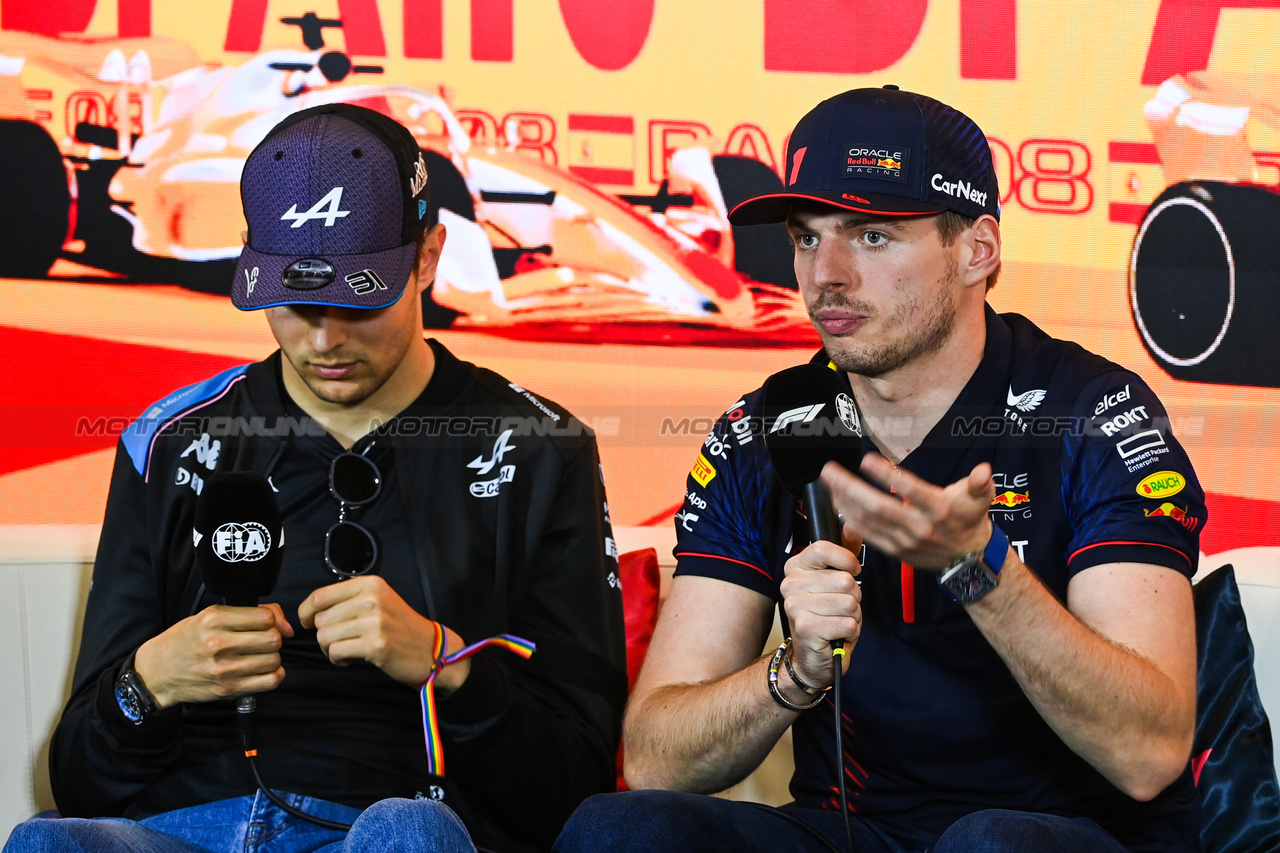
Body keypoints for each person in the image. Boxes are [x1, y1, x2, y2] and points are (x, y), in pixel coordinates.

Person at [556, 86, 1205, 853]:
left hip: (1064, 835)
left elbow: (1149, 754)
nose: (824, 273)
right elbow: (658, 756)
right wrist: (791, 673)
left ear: (977, 249)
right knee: (616, 828)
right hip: (849, 832)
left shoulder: (1093, 412)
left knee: (986, 844)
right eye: (806, 237)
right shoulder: (768, 429)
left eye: (870, 236)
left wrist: (980, 570)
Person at [5, 104, 626, 853]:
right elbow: (80, 780)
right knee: (46, 841)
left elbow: (575, 791)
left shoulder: (540, 448)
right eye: (296, 304)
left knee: (412, 830)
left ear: (428, 257)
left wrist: (446, 665)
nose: (326, 339)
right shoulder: (168, 442)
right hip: (190, 827)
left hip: (394, 826)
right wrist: (147, 682)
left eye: (358, 300)